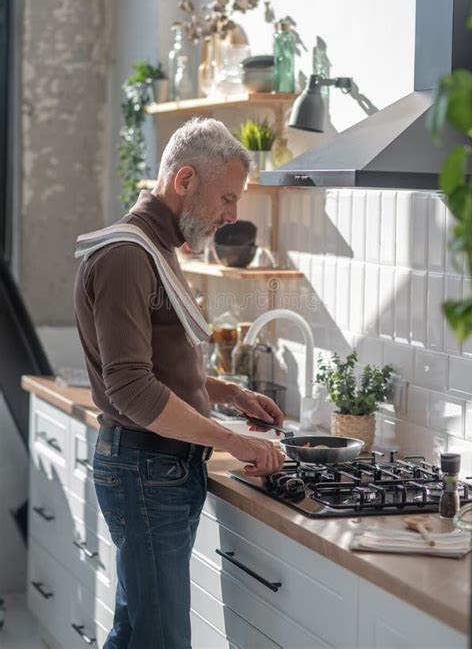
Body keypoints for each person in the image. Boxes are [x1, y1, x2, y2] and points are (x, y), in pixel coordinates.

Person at [74, 117, 286, 649]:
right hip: (147, 469)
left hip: (158, 468)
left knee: (134, 633)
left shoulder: (156, 247)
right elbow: (132, 391)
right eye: (227, 198)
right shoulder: (127, 255)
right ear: (185, 179)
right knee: (161, 639)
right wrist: (232, 441)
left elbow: (163, 365)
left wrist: (230, 394)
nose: (232, 216)